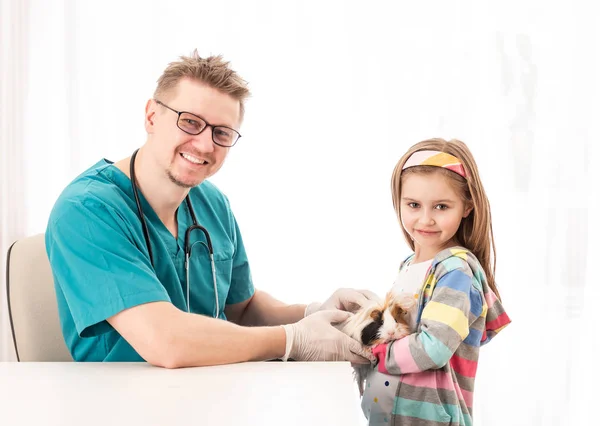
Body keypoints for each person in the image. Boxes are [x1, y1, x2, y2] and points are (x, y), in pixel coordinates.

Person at [45, 50, 379, 367]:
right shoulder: (88, 211)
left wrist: (312, 315)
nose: (205, 144)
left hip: (217, 389)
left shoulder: (211, 203)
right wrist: (292, 340)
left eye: (221, 133)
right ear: (151, 116)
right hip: (123, 403)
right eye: (190, 122)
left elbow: (242, 309)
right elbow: (166, 342)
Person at [362, 139, 511, 425]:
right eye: (414, 205)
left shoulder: (456, 271)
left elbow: (434, 347)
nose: (426, 219)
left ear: (466, 207)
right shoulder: (409, 266)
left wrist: (375, 352)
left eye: (441, 206)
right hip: (390, 416)